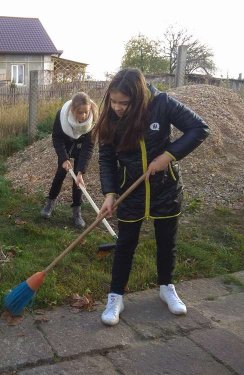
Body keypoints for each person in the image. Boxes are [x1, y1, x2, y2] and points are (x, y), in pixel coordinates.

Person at [93, 68, 209, 326]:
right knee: (125, 245)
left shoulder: (162, 104)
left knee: (167, 242)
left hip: (165, 188)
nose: (117, 107)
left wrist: (168, 155)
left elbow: (199, 128)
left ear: (139, 98)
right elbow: (106, 158)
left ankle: (166, 286)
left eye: (124, 103)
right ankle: (115, 296)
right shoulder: (111, 117)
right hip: (130, 192)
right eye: (113, 101)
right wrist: (110, 193)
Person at [40, 92, 98, 229]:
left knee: (78, 181)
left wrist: (81, 171)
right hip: (65, 145)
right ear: (73, 110)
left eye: (86, 112)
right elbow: (57, 138)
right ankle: (49, 204)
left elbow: (89, 146)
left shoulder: (93, 119)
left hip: (81, 147)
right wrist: (64, 158)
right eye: (80, 112)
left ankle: (76, 212)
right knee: (60, 174)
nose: (83, 116)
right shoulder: (62, 115)